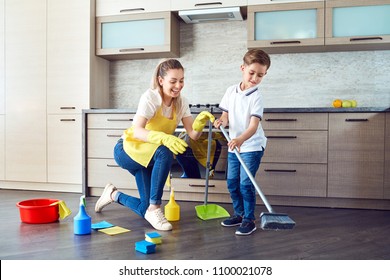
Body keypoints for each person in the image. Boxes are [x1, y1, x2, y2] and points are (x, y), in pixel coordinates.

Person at [94, 59, 215, 231]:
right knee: (164, 152)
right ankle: (155, 207)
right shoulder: (150, 97)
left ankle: (113, 195)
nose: (178, 85)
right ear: (161, 80)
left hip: (149, 156)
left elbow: (193, 135)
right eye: (173, 81)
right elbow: (136, 131)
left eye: (181, 80)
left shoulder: (182, 103)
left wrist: (200, 122)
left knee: (145, 208)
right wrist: (164, 138)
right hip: (127, 150)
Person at [214, 49, 270, 236]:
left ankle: (249, 219)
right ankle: (239, 214)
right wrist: (221, 121)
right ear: (243, 68)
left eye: (260, 75)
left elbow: (253, 126)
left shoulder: (256, 97)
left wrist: (240, 139)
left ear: (265, 74)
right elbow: (225, 115)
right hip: (234, 144)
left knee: (246, 183)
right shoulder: (231, 91)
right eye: (251, 73)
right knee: (232, 182)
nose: (254, 78)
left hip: (251, 145)